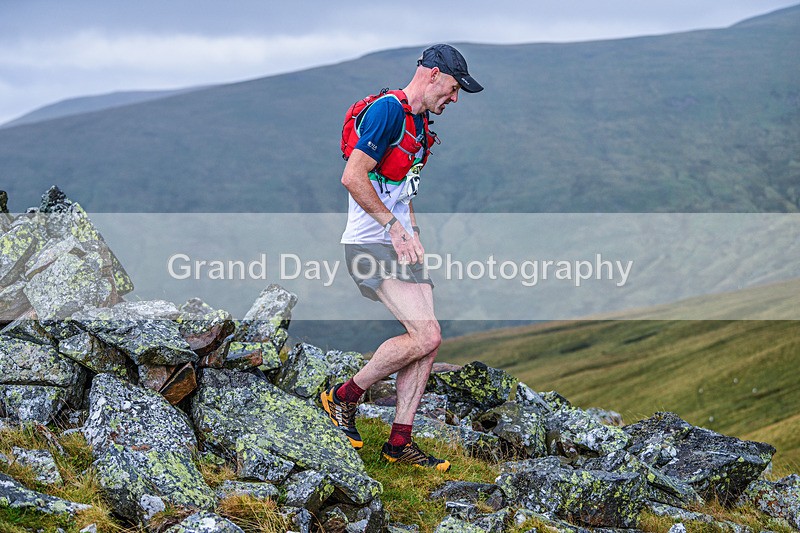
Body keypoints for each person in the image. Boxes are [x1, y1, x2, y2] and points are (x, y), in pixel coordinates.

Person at [321, 44, 483, 471]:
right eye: (453, 88)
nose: (455, 98)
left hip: (398, 244)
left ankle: (399, 444)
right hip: (367, 244)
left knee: (429, 341)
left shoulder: (419, 122)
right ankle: (343, 397)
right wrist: (394, 229)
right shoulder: (388, 111)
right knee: (425, 335)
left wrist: (412, 234)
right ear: (433, 75)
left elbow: (403, 189)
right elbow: (352, 176)